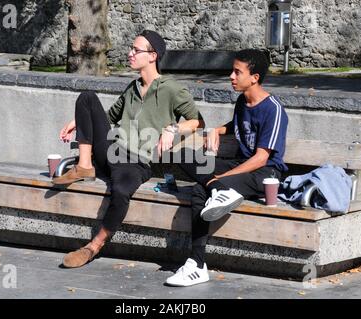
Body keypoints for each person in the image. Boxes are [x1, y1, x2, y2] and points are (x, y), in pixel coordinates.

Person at [54, 30, 204, 268]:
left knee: (122, 191)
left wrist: (172, 129)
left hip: (137, 162)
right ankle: (84, 166)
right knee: (86, 97)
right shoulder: (132, 88)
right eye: (131, 49)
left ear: (153, 56)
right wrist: (78, 121)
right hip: (112, 150)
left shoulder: (171, 89)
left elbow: (197, 121)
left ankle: (93, 247)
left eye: (136, 50)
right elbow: (109, 116)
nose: (130, 53)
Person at [165, 49, 289, 286]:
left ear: (254, 77)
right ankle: (219, 189)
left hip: (265, 174)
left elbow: (262, 158)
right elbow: (237, 125)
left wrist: (222, 176)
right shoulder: (243, 101)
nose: (231, 76)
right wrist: (217, 130)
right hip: (241, 165)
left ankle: (197, 264)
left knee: (200, 191)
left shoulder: (274, 109)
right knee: (182, 155)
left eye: (237, 72)